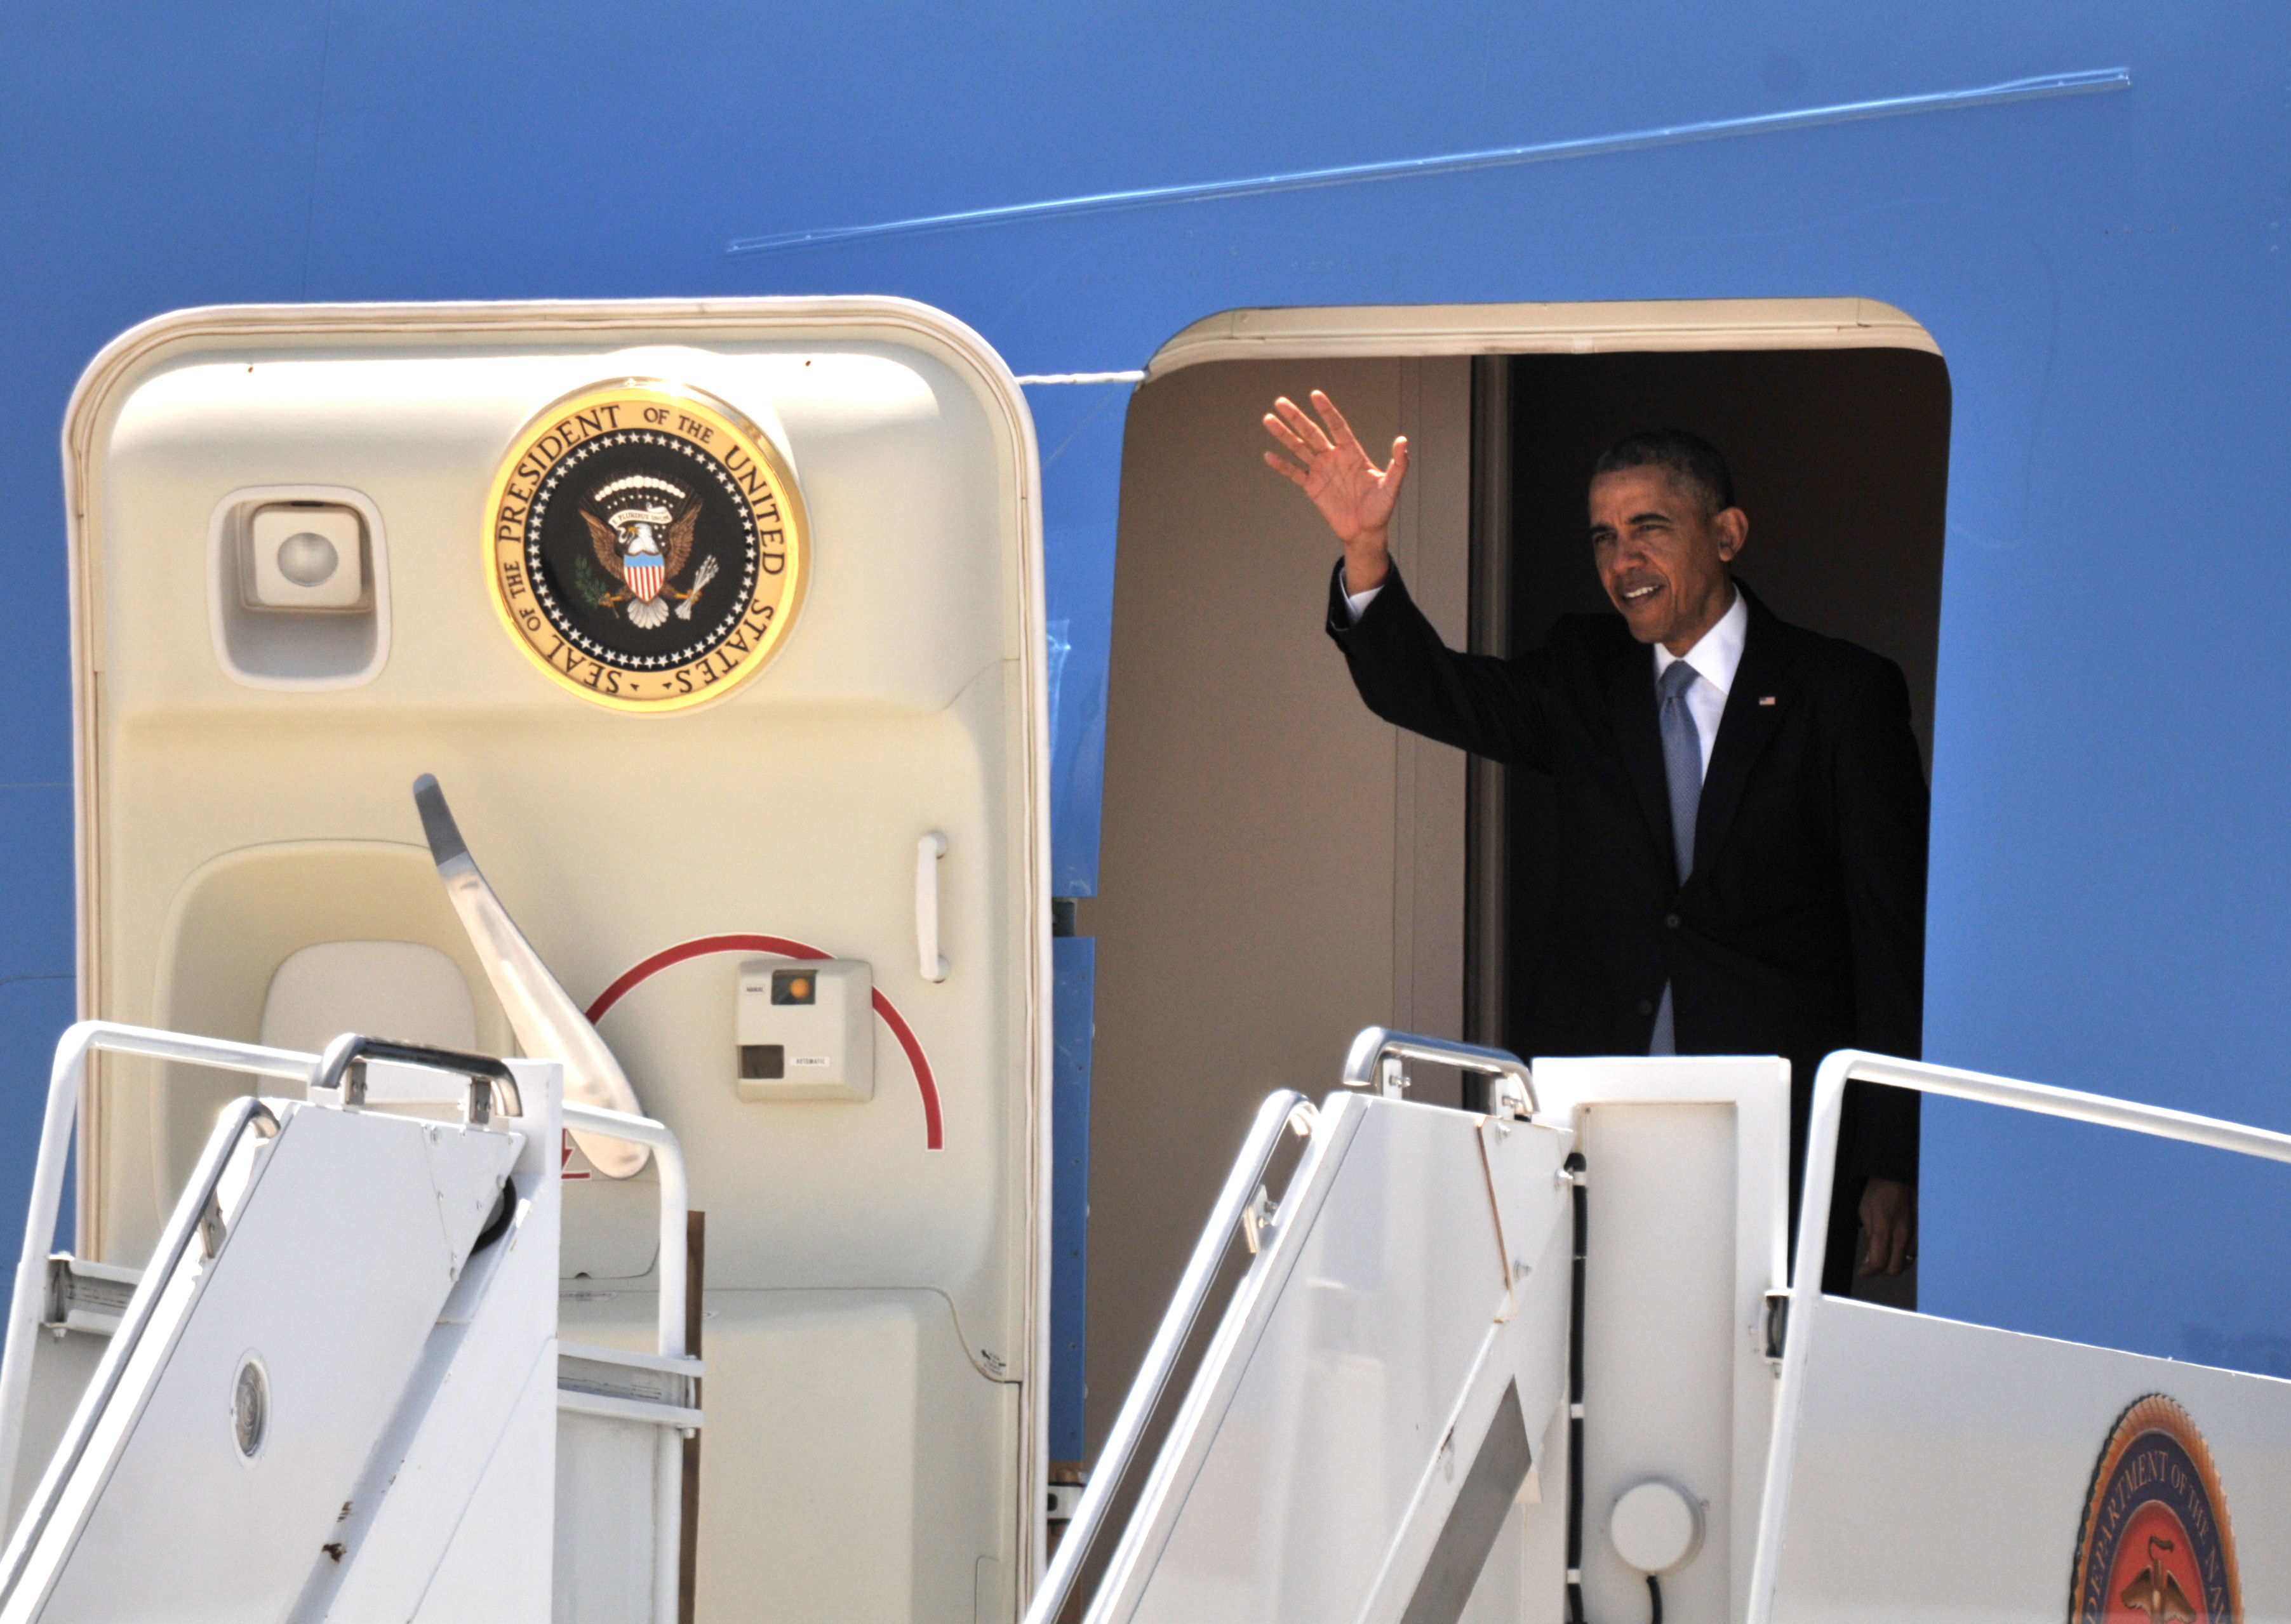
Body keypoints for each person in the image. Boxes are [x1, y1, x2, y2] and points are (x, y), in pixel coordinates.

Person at [1263, 390, 1925, 1289]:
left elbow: (1892, 939)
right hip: (1595, 1114)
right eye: (1604, 537)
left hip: (1784, 1121)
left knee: (1770, 1382)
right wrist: (1366, 549)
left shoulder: (1842, 694)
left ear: (1726, 534)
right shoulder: (1586, 673)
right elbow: (1430, 691)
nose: (1624, 560)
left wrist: (1894, 1158)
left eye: (1649, 527)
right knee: (1593, 1381)